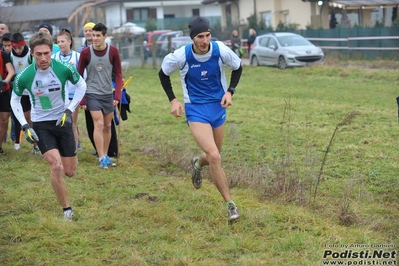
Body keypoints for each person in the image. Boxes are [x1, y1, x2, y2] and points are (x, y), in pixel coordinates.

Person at [158, 17, 243, 221]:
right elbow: (163, 74)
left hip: (218, 107)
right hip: (196, 110)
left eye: (207, 35)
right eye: (200, 37)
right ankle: (231, 205)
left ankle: (197, 164)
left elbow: (238, 67)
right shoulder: (181, 56)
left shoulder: (220, 50)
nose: (204, 40)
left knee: (213, 156)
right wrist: (173, 100)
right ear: (192, 38)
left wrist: (230, 92)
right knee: (214, 156)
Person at [10, 32, 87, 220]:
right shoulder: (24, 76)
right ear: (32, 53)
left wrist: (69, 110)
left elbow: (82, 86)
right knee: (56, 166)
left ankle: (60, 154)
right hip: (41, 124)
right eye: (39, 54)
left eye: (46, 53)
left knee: (70, 171)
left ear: (50, 51)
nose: (43, 58)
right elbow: (15, 101)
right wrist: (25, 126)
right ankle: (67, 210)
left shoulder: (63, 68)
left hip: (62, 120)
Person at [77, 23, 122, 169]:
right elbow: (79, 76)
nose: (94, 38)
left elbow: (119, 74)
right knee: (99, 124)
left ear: (105, 36)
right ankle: (101, 156)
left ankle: (107, 155)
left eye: (97, 35)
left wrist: (117, 95)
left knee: (108, 126)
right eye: (93, 35)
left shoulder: (113, 51)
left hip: (107, 94)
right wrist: (82, 98)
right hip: (92, 93)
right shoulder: (86, 53)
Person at [52, 29, 81, 151]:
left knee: (71, 124)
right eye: (58, 42)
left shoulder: (77, 56)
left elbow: (82, 77)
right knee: (57, 124)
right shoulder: (53, 58)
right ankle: (59, 151)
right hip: (58, 96)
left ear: (69, 42)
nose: (60, 44)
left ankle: (73, 152)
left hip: (72, 96)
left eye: (63, 41)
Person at [9, 32, 35, 151]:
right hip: (18, 91)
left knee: (30, 117)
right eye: (15, 48)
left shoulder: (30, 54)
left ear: (24, 44)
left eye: (19, 47)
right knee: (17, 116)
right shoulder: (10, 55)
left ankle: (36, 144)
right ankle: (17, 141)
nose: (18, 50)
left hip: (30, 91)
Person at [0, 38, 15, 154]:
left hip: (3, 91)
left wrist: (5, 81)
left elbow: (11, 71)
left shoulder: (3, 54)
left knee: (4, 120)